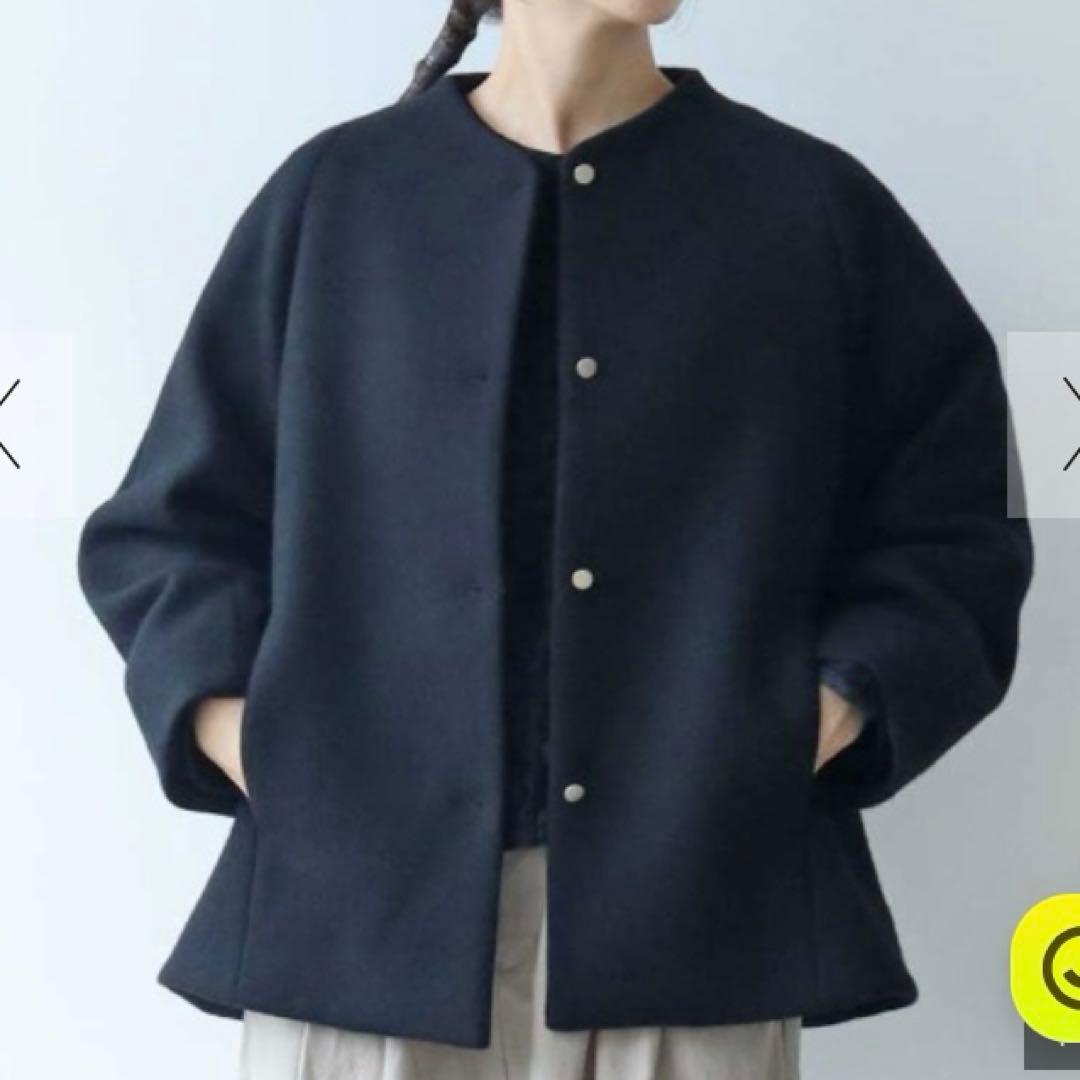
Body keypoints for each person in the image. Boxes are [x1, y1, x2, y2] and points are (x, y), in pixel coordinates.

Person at [75, 1, 1035, 1078]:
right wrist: (263, 747)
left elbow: (956, 525)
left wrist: (813, 720)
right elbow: (170, 529)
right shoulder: (339, 198)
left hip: (694, 917)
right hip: (359, 924)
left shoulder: (806, 206)